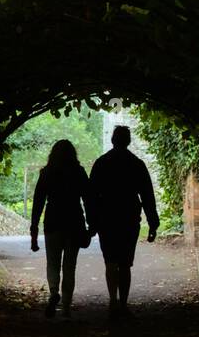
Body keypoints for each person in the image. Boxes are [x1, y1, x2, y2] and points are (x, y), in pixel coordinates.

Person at [89, 125, 159, 319]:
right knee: (125, 263)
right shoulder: (136, 164)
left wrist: (92, 222)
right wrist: (153, 223)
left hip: (107, 219)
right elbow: (147, 196)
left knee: (110, 262)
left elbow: (92, 195)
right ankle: (123, 303)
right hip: (129, 219)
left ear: (113, 140)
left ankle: (113, 301)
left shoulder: (102, 163)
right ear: (128, 141)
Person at [30, 140, 94, 318]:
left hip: (53, 221)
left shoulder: (47, 173)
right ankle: (66, 306)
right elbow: (88, 199)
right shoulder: (78, 172)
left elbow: (38, 202)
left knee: (53, 262)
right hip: (74, 222)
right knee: (69, 266)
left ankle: (53, 293)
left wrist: (34, 227)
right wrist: (91, 224)